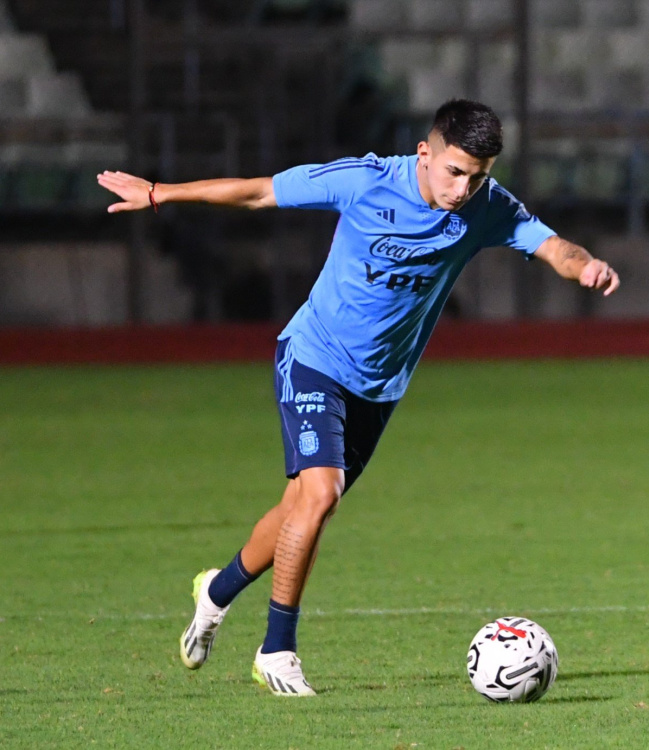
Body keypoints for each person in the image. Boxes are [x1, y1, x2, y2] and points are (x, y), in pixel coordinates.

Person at [97, 99, 620, 697]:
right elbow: (258, 192)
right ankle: (277, 650)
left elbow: (552, 244)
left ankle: (215, 593)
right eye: (454, 171)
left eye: (478, 176)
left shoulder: (487, 207)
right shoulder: (365, 181)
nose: (463, 187)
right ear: (425, 153)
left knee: (301, 505)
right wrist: (161, 193)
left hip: (379, 387)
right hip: (314, 356)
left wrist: (584, 267)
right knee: (321, 494)